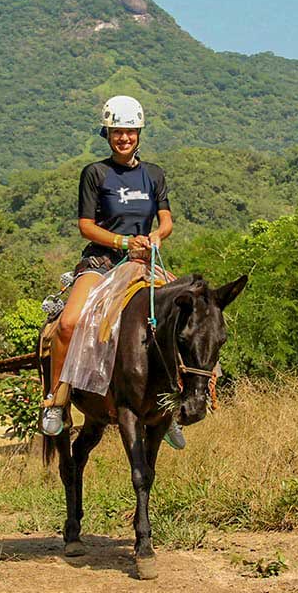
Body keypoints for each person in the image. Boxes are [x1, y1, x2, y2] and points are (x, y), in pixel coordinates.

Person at [42, 95, 186, 449]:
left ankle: (170, 406)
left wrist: (155, 235)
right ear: (107, 133)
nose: (124, 138)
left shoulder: (154, 174)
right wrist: (123, 243)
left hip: (144, 263)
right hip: (102, 262)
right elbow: (86, 226)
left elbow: (166, 220)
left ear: (139, 134)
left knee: (185, 320)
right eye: (117, 132)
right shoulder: (95, 173)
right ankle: (57, 402)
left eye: (130, 132)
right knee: (69, 323)